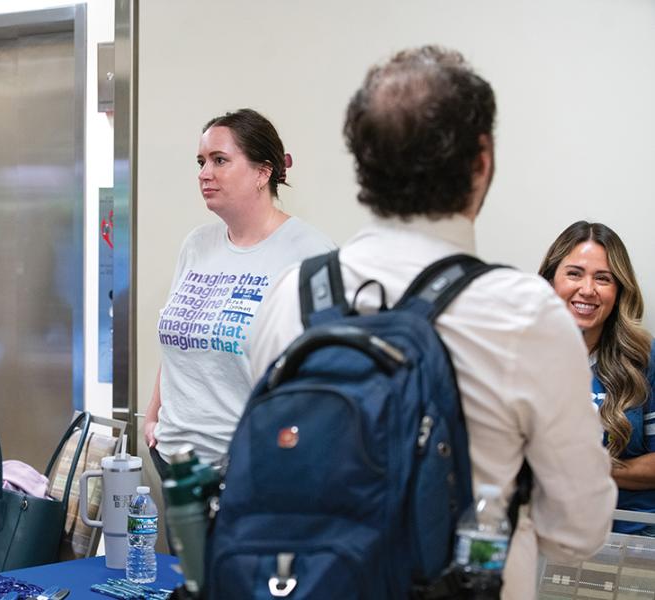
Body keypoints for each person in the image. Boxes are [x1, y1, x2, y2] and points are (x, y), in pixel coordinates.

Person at [248, 46, 616, 600]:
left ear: (363, 167)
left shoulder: (291, 296)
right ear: (483, 160)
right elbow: (578, 530)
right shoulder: (525, 313)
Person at [144, 108, 334, 476]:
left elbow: (324, 375)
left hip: (251, 470)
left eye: (219, 160)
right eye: (201, 161)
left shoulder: (309, 252)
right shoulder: (197, 244)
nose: (204, 174)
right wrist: (152, 418)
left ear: (263, 172)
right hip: (174, 462)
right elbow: (181, 336)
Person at [540, 221, 655, 535]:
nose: (587, 289)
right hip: (543, 531)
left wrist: (590, 468)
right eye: (574, 273)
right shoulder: (520, 356)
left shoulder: (646, 359)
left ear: (618, 292)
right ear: (551, 281)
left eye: (603, 278)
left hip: (630, 537)